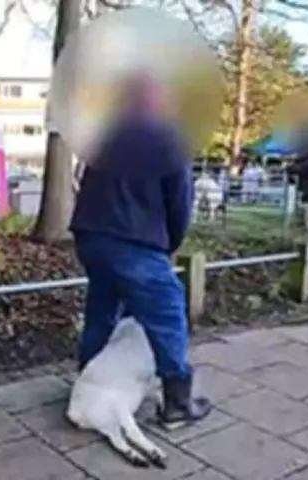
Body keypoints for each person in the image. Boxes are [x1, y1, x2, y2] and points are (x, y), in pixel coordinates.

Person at [69, 73, 211, 429]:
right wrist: (169, 245)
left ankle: (88, 384)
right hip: (136, 243)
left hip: (92, 237)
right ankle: (177, 404)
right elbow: (180, 203)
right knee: (168, 313)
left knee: (103, 307)